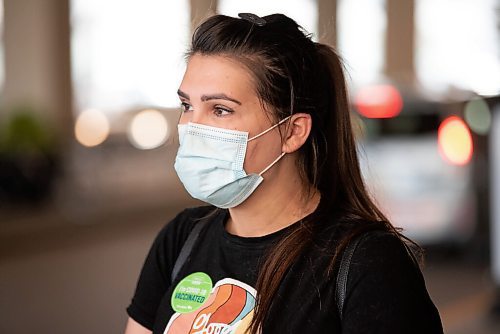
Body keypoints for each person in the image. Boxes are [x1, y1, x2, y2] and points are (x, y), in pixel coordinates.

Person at [124, 13, 444, 334]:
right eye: (187, 106)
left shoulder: (368, 264)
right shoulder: (181, 238)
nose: (191, 127)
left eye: (220, 109)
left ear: (292, 131)